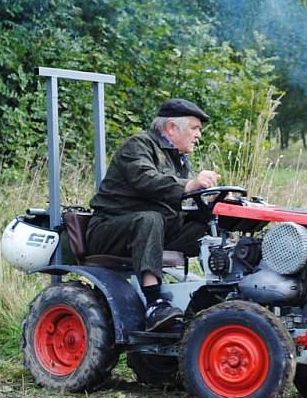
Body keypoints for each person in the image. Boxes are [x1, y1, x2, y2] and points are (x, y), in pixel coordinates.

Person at [86, 98, 220, 331]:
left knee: (207, 224)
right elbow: (146, 180)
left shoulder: (177, 159)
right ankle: (154, 302)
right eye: (195, 128)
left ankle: (216, 292)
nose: (198, 135)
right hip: (109, 229)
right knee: (149, 219)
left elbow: (181, 202)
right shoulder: (138, 145)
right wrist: (189, 185)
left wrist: (212, 202)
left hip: (154, 230)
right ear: (170, 128)